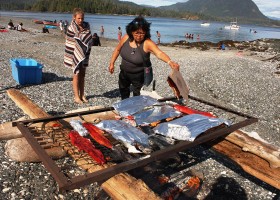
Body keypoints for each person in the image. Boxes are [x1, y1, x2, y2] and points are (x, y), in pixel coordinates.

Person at [108, 16, 180, 100]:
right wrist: (112, 63)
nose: (139, 36)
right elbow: (117, 49)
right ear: (131, 31)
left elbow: (159, 53)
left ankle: (136, 110)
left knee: (137, 97)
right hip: (124, 72)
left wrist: (170, 61)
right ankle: (125, 109)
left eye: (142, 33)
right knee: (123, 92)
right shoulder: (126, 37)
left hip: (138, 76)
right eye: (136, 33)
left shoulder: (147, 43)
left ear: (146, 32)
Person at [64, 8, 93, 104]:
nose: (81, 20)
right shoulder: (71, 27)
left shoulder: (87, 26)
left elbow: (88, 38)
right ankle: (76, 97)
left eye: (82, 18)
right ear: (74, 17)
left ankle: (82, 95)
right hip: (74, 54)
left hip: (84, 54)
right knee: (76, 74)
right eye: (79, 18)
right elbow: (72, 41)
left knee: (83, 75)